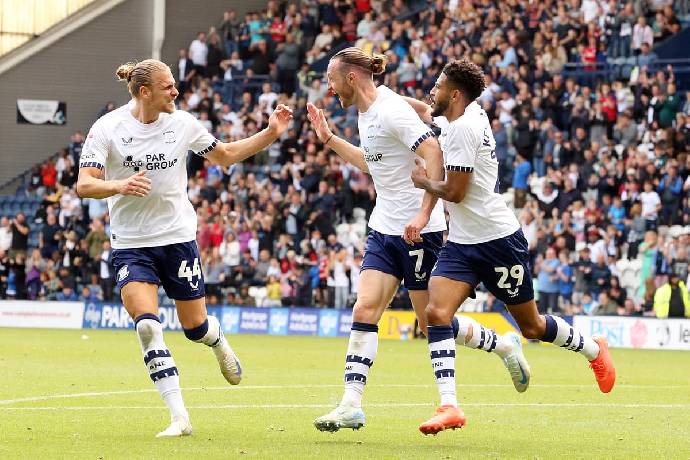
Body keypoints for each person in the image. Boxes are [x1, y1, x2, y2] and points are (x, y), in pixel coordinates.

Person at [306, 48, 528, 433]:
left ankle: (502, 345)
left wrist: (425, 213)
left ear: (351, 78)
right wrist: (330, 140)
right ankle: (350, 405)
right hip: (384, 229)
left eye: (332, 79)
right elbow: (371, 163)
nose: (330, 87)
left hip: (418, 233)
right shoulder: (366, 112)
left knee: (431, 323)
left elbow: (433, 151)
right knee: (364, 309)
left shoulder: (391, 110)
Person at [76, 59, 292, 437]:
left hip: (177, 239)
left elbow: (224, 155)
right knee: (147, 327)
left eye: (174, 85)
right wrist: (119, 186)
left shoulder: (184, 123)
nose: (176, 91)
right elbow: (85, 184)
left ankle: (217, 340)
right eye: (168, 86)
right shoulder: (107, 128)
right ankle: (180, 416)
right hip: (131, 244)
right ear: (145, 92)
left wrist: (271, 132)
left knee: (195, 327)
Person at [404, 59, 616, 435]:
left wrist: (423, 182)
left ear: (455, 94)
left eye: (437, 87)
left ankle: (594, 350)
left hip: (499, 242)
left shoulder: (466, 128)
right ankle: (449, 405)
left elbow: (455, 191)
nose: (430, 92)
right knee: (435, 313)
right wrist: (383, 98)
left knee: (532, 326)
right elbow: (423, 109)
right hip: (464, 244)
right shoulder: (460, 116)